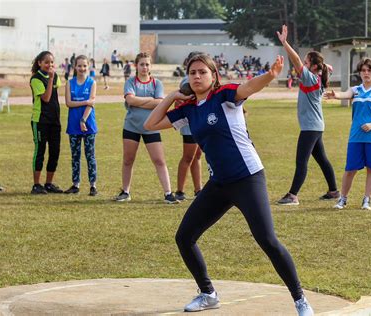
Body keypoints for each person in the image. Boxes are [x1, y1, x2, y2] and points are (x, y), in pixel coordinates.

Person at [143, 54, 314, 316]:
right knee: (184, 237)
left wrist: (270, 75)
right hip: (219, 183)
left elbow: (249, 87)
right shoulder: (188, 109)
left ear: (213, 76)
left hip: (248, 178)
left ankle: (300, 300)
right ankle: (208, 294)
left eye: (202, 72)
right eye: (192, 73)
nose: (197, 77)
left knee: (267, 239)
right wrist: (172, 96)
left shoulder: (224, 96)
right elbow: (150, 124)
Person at [276, 25, 339, 205]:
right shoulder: (319, 76)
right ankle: (334, 191)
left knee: (301, 161)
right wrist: (324, 64)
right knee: (322, 160)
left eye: (306, 62)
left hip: (311, 127)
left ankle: (293, 195)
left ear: (312, 66)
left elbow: (295, 59)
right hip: (315, 126)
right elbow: (328, 66)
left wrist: (285, 43)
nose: (302, 64)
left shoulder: (311, 78)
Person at [325, 57, 371, 211]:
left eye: (369, 70)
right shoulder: (356, 90)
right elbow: (345, 94)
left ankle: (367, 200)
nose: (366, 73)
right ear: (360, 73)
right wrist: (336, 95)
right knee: (350, 169)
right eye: (363, 70)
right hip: (356, 137)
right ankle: (343, 199)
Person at [114, 52, 178, 204]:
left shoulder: (157, 84)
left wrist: (140, 101)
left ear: (150, 66)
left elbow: (160, 103)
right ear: (136, 66)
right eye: (141, 64)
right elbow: (130, 100)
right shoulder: (130, 82)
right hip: (131, 126)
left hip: (152, 126)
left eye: (147, 64)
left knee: (159, 160)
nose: (144, 67)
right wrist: (150, 100)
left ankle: (168, 193)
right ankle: (125, 191)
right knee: (128, 159)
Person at [64, 55, 98, 196]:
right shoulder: (69, 83)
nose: (82, 68)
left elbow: (92, 104)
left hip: (88, 125)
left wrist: (83, 120)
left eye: (85, 66)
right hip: (73, 125)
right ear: (75, 67)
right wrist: (85, 102)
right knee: (75, 156)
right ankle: (75, 184)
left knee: (90, 155)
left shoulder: (92, 83)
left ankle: (93, 185)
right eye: (79, 66)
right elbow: (69, 103)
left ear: (88, 67)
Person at [29, 51, 63, 194]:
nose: (50, 65)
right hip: (40, 120)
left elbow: (55, 96)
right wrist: (50, 79)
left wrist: (52, 78)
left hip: (54, 120)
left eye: (51, 62)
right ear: (40, 63)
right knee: (40, 151)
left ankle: (48, 183)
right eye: (46, 62)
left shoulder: (55, 77)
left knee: (55, 151)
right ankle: (36, 185)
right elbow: (47, 98)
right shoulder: (35, 79)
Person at [174, 51, 204, 201]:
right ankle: (179, 191)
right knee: (188, 157)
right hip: (190, 123)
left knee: (197, 156)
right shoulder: (187, 81)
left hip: (200, 121)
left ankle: (198, 189)